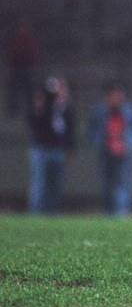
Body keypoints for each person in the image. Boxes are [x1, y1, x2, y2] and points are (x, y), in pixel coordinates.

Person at [88, 81, 132, 216]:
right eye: (114, 94)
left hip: (124, 152)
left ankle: (122, 210)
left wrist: (129, 143)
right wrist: (100, 142)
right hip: (106, 151)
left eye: (119, 94)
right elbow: (92, 130)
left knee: (123, 182)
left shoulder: (129, 110)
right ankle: (109, 210)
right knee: (107, 182)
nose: (117, 97)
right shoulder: (100, 111)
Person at [27, 77, 76, 213]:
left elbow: (70, 130)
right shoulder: (43, 106)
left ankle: (52, 212)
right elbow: (34, 124)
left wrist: (70, 148)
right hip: (41, 148)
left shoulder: (67, 108)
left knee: (56, 184)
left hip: (58, 150)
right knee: (39, 184)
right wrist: (40, 105)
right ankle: (36, 213)